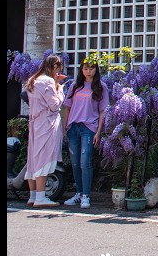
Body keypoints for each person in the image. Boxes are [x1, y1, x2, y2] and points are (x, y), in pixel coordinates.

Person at [61, 58, 109, 209]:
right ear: (81, 70)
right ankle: (79, 193)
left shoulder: (101, 87)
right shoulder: (75, 86)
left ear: (96, 69)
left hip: (89, 128)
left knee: (85, 162)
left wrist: (98, 132)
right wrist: (64, 128)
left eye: (92, 68)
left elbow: (103, 111)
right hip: (73, 127)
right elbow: (67, 108)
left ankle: (86, 196)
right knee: (75, 163)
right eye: (86, 68)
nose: (89, 71)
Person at [25, 54, 67, 207]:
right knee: (44, 158)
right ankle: (41, 198)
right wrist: (60, 88)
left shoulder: (33, 80)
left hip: (35, 123)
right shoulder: (48, 81)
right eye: (58, 68)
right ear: (55, 66)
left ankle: (33, 196)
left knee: (33, 159)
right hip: (47, 123)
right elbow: (55, 105)